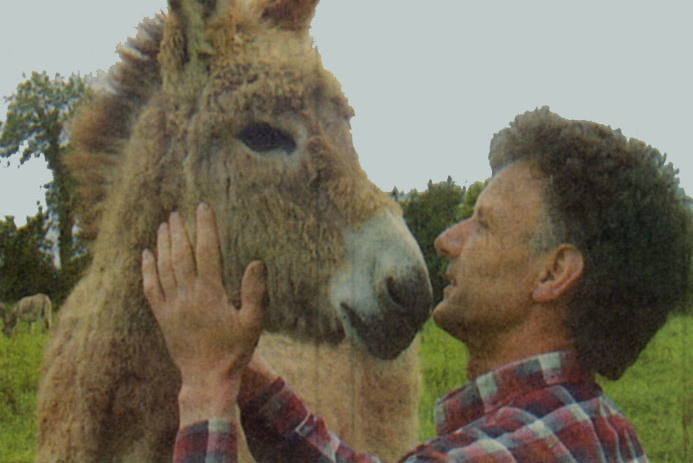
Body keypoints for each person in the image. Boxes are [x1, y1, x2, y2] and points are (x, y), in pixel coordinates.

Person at [142, 107, 692, 462]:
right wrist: (254, 380)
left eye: (483, 224)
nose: (448, 240)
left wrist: (207, 385)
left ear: (552, 274)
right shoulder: (595, 427)